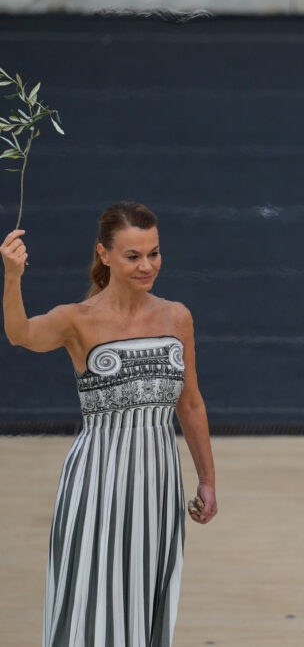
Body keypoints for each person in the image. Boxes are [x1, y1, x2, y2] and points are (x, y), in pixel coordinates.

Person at [1, 201, 218, 647]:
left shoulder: (177, 316)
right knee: (91, 602)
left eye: (153, 253)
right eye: (132, 256)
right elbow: (20, 333)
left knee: (145, 598)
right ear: (104, 254)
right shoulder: (76, 319)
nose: (147, 266)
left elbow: (191, 404)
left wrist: (207, 481)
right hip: (97, 483)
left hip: (159, 485)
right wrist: (12, 276)